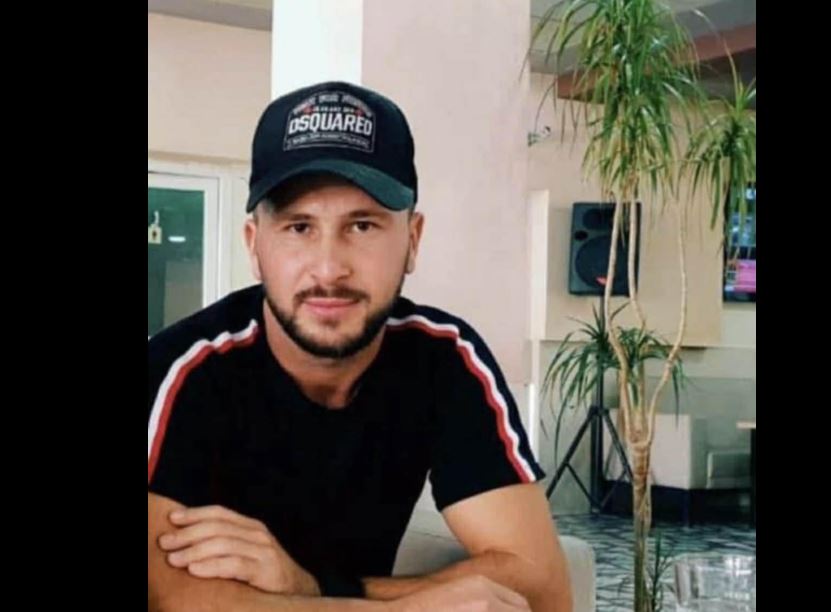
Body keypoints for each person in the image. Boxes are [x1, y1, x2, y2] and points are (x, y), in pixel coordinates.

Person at [148, 81, 573, 611]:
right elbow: (171, 598)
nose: (329, 269)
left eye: (363, 226)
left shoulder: (444, 359)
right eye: (299, 227)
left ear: (412, 240)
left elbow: (543, 587)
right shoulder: (182, 372)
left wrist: (311, 586)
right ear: (255, 247)